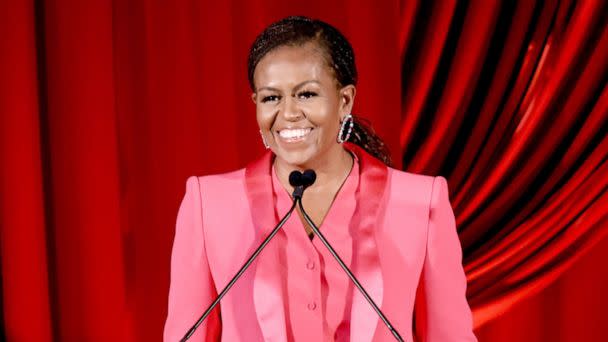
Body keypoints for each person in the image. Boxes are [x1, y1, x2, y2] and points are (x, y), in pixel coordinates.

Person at [164, 16, 477, 342]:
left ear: (345, 101)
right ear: (256, 104)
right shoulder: (208, 204)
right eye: (272, 98)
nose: (288, 113)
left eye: (306, 94)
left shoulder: (420, 202)